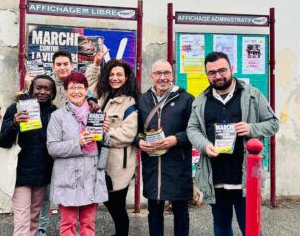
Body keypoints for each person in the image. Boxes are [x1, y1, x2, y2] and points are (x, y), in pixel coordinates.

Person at [187, 51, 279, 236]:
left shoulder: (252, 95)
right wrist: (204, 145)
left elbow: (273, 123)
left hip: (245, 179)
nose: (218, 76)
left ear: (231, 69)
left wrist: (251, 128)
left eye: (222, 70)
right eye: (212, 72)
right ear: (207, 74)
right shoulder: (201, 100)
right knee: (221, 229)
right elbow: (192, 129)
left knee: (251, 229)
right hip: (216, 177)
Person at [136, 59, 194, 236]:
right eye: (158, 73)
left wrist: (176, 139)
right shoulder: (143, 100)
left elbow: (196, 130)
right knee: (154, 211)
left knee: (181, 211)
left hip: (178, 163)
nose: (163, 77)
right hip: (152, 164)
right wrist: (139, 141)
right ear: (151, 76)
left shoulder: (186, 99)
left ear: (172, 75)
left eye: (167, 73)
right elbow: (136, 130)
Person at [47, 72, 109, 236]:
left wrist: (105, 132)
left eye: (80, 87)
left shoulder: (95, 114)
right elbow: (52, 148)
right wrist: (77, 143)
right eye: (72, 88)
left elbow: (103, 145)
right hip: (68, 175)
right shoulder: (58, 116)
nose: (76, 91)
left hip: (91, 175)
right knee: (68, 224)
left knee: (89, 224)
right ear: (66, 91)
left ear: (86, 90)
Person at [0, 75, 57, 235]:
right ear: (31, 90)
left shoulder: (55, 113)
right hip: (20, 174)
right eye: (39, 88)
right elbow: (3, 142)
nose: (43, 92)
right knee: (22, 220)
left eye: (47, 89)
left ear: (53, 93)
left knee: (34, 219)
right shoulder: (16, 109)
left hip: (42, 174)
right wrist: (14, 124)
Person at [91, 59, 139, 235]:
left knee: (117, 204)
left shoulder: (130, 103)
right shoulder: (104, 96)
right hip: (102, 160)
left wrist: (103, 134)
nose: (115, 78)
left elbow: (128, 134)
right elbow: (88, 85)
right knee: (109, 201)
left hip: (120, 164)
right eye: (111, 74)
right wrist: (95, 65)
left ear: (127, 77)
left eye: (119, 74)